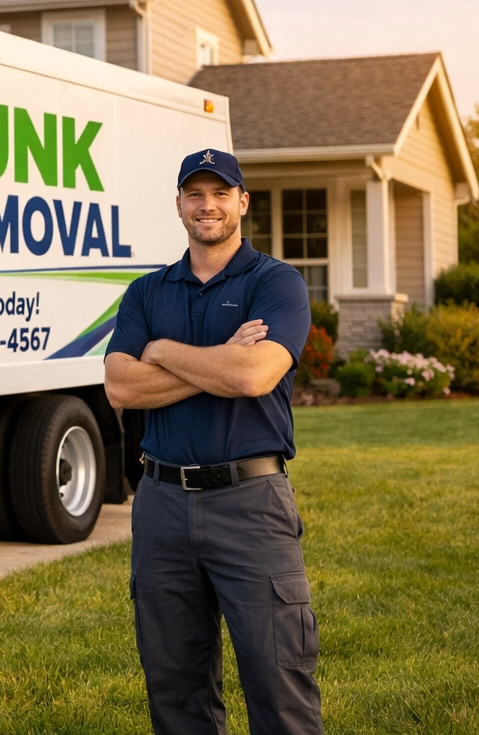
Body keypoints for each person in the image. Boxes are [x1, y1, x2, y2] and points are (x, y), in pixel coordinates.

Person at [104, 148, 322, 735]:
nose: (208, 206)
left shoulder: (276, 283)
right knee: (175, 686)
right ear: (178, 204)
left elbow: (252, 376)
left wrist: (163, 352)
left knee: (278, 679)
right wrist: (220, 357)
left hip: (251, 504)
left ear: (242, 203)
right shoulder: (147, 293)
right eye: (195, 194)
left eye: (221, 193)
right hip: (162, 505)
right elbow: (121, 388)